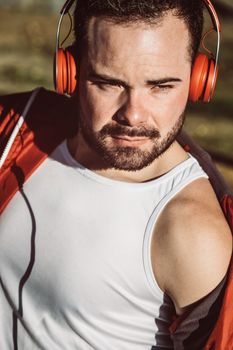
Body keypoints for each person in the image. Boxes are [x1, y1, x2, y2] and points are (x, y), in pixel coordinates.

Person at [0, 0, 232, 349]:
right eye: (108, 83)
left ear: (200, 80)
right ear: (70, 71)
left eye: (161, 86)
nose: (133, 115)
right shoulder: (17, 130)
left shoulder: (192, 233)